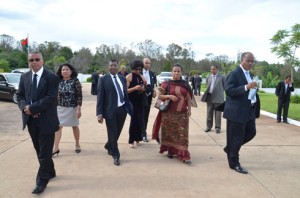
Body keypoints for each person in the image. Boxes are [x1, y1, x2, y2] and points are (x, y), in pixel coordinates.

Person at [16, 51, 60, 194]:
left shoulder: (52, 77)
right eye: (31, 60)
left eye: (36, 59)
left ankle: (42, 181)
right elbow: (19, 95)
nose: (33, 62)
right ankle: (50, 170)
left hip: (46, 120)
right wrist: (25, 108)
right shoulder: (25, 76)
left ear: (42, 60)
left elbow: (51, 98)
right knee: (39, 149)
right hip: (30, 121)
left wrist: (33, 108)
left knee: (44, 152)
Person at [223, 52, 260, 174]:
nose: (250, 63)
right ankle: (234, 163)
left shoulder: (250, 74)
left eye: (252, 61)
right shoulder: (234, 73)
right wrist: (246, 87)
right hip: (236, 111)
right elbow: (229, 91)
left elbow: (251, 90)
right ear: (242, 60)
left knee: (251, 132)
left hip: (249, 110)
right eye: (248, 60)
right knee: (236, 137)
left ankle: (230, 148)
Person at [152, 63, 196, 165]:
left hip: (182, 114)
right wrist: (170, 96)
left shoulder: (185, 84)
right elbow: (160, 97)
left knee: (182, 135)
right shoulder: (165, 84)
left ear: (181, 72)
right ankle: (171, 151)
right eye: (174, 71)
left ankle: (184, 155)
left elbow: (189, 98)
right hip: (168, 114)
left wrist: (189, 109)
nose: (176, 73)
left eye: (178, 71)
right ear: (171, 72)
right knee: (170, 134)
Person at [96, 59, 132, 166]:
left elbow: (125, 94)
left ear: (118, 67)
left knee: (118, 131)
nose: (113, 67)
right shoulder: (103, 79)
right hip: (110, 111)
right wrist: (99, 113)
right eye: (111, 65)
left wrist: (128, 107)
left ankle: (109, 145)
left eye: (115, 65)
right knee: (112, 132)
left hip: (122, 109)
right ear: (108, 67)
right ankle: (115, 154)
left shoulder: (122, 78)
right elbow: (100, 97)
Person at [52, 63, 83, 156]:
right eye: (63, 70)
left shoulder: (75, 81)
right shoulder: (57, 80)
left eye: (66, 69)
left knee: (74, 126)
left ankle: (77, 144)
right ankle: (55, 148)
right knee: (58, 127)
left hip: (72, 108)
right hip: (60, 108)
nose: (64, 71)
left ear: (71, 71)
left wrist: (79, 109)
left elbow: (79, 96)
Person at [126, 60, 147, 148]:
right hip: (132, 101)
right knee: (133, 121)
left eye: (140, 69)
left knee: (140, 120)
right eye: (137, 69)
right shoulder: (129, 77)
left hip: (140, 101)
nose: (138, 71)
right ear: (133, 68)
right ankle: (131, 140)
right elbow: (125, 91)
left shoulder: (141, 77)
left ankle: (138, 139)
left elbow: (145, 88)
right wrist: (134, 88)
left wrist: (143, 89)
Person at [204, 66, 226, 134]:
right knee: (209, 112)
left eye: (214, 69)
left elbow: (225, 87)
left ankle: (218, 128)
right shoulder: (208, 77)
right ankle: (208, 126)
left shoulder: (222, 77)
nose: (212, 70)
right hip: (210, 97)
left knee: (218, 113)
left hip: (218, 97)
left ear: (217, 69)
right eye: (211, 69)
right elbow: (207, 85)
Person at [141, 58, 157, 142]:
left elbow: (153, 85)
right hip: (139, 97)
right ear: (142, 63)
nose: (147, 64)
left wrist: (154, 92)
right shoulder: (138, 73)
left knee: (146, 116)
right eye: (146, 63)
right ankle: (138, 133)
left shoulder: (152, 74)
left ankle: (143, 134)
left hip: (148, 97)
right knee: (139, 115)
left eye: (149, 63)